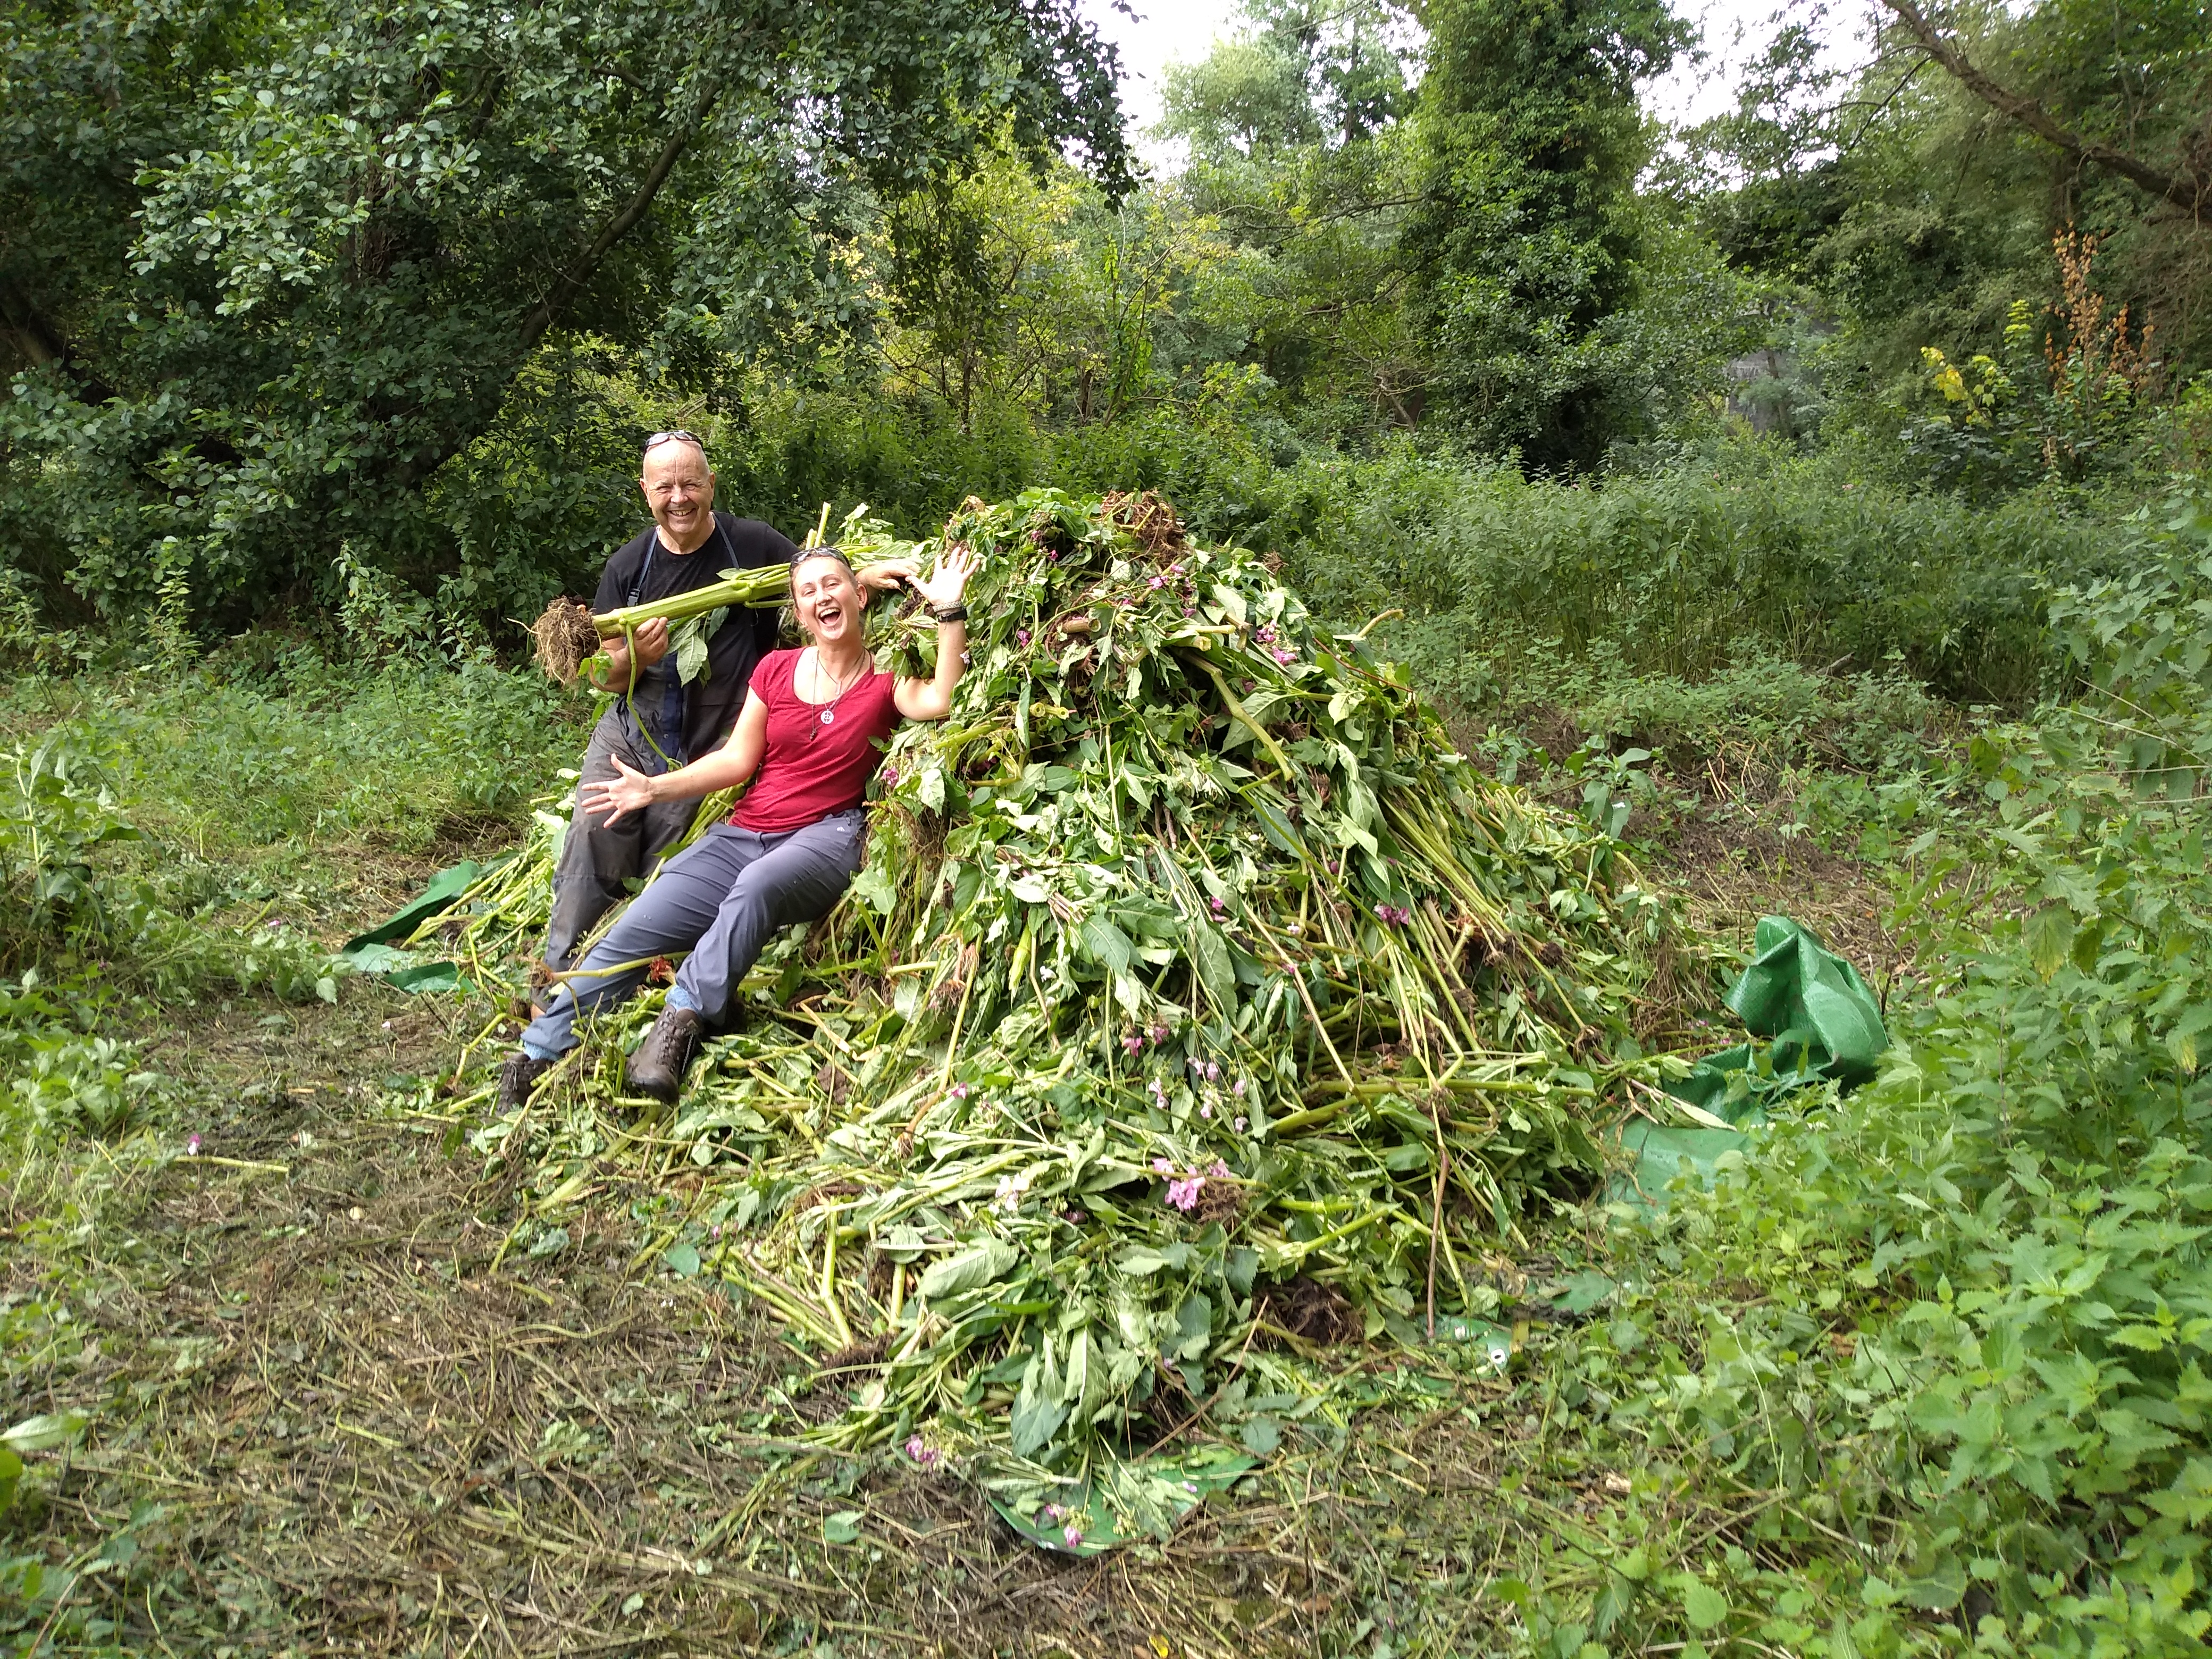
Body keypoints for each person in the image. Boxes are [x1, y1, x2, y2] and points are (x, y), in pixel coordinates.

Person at [498, 540, 980, 1109]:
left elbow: (942, 697)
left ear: (858, 595)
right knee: (632, 931)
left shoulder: (885, 677)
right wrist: (652, 787)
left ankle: (679, 1025)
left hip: (828, 835)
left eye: (833, 585)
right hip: (744, 833)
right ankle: (539, 1053)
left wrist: (950, 611)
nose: (822, 596)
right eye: (808, 592)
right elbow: (736, 762)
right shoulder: (774, 670)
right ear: (799, 614)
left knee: (757, 887)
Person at [543, 430, 906, 976]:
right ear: (645, 492)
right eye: (664, 486)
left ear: (711, 485)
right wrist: (633, 660)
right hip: (632, 732)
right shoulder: (627, 566)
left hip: (714, 737)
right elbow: (605, 679)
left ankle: (624, 970)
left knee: (663, 863)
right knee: (593, 836)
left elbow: (815, 582)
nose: (679, 497)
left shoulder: (754, 546)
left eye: (690, 483)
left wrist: (865, 577)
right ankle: (558, 974)